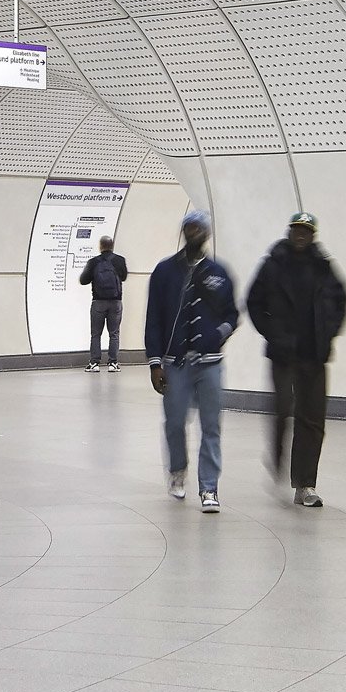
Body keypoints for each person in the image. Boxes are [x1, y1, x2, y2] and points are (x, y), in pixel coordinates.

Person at [245, 209, 346, 508]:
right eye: (296, 229)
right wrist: (271, 332)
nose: (300, 235)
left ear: (313, 235)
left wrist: (328, 332)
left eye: (306, 230)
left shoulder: (323, 267)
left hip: (314, 354)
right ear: (289, 232)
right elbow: (253, 302)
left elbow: (343, 299)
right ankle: (277, 453)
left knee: (312, 418)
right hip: (282, 353)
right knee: (282, 409)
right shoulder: (273, 264)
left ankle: (305, 483)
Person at [145, 209, 238, 513]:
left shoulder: (218, 272)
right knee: (174, 422)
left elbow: (232, 314)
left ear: (207, 233)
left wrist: (219, 334)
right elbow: (154, 319)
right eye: (189, 227)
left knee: (211, 426)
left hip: (210, 362)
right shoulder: (165, 271)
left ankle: (209, 488)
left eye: (199, 227)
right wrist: (155, 362)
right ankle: (177, 470)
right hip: (175, 363)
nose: (193, 231)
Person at [77, 235, 127, 371]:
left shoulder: (93, 262)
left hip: (98, 302)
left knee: (96, 334)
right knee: (114, 333)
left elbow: (83, 280)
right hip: (116, 302)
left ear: (100, 246)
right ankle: (113, 363)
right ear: (112, 246)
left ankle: (94, 363)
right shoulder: (120, 260)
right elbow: (124, 277)